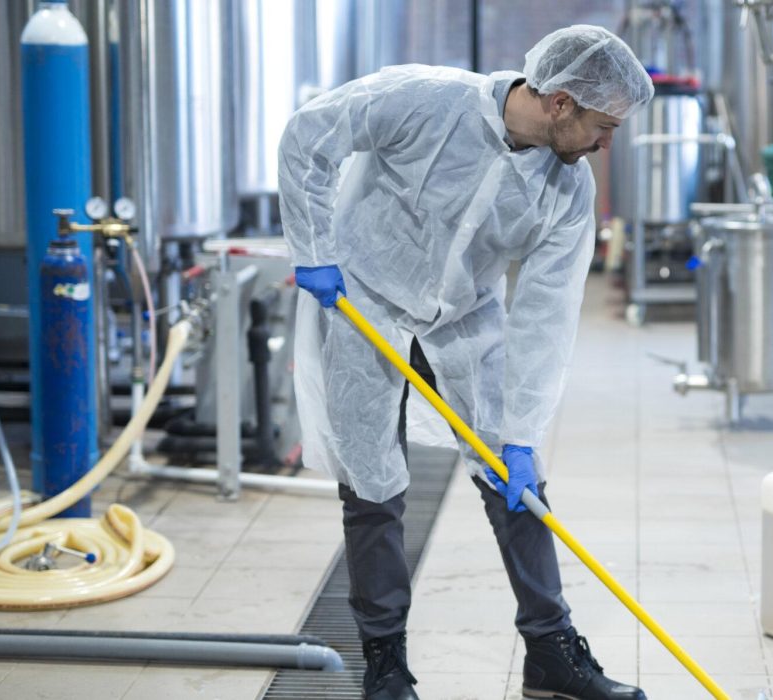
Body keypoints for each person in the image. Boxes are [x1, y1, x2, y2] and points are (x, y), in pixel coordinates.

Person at [279, 25, 653, 700]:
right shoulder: (422, 100)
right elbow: (311, 135)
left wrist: (522, 433)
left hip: (464, 318)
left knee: (518, 481)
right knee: (372, 483)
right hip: (366, 298)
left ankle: (552, 656)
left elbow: (547, 315)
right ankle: (386, 665)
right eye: (603, 125)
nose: (605, 143)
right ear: (561, 102)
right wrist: (312, 250)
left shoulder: (567, 190)